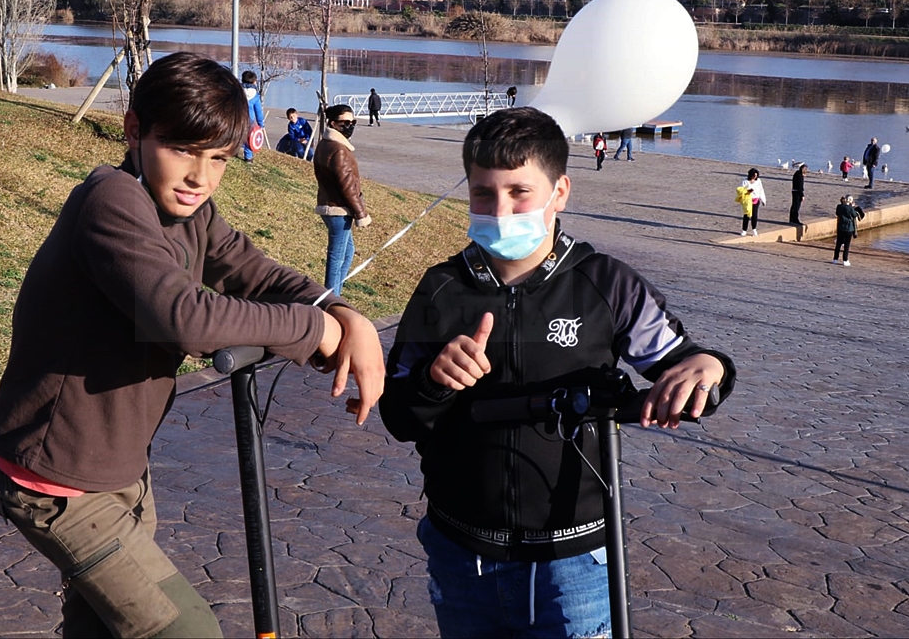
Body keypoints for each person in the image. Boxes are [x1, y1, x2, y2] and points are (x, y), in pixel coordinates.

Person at [0, 53, 385, 639]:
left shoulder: (193, 213)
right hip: (60, 480)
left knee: (97, 629)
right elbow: (183, 319)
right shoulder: (111, 200)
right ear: (134, 130)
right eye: (182, 150)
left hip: (121, 469)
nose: (200, 176)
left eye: (218, 159)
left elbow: (258, 272)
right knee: (185, 630)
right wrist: (315, 330)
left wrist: (345, 314)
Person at [379, 107, 735, 639]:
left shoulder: (606, 283)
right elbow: (398, 415)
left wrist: (710, 368)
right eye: (483, 193)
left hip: (577, 560)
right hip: (461, 552)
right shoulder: (441, 288)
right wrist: (434, 380)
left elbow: (688, 363)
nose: (499, 209)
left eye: (519, 192)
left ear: (560, 191)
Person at [314, 104, 371, 296]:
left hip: (329, 206)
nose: (350, 126)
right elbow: (348, 187)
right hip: (338, 210)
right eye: (345, 122)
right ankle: (331, 301)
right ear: (333, 123)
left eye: (353, 122)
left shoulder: (324, 144)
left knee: (347, 253)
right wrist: (361, 214)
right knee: (337, 257)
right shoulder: (339, 150)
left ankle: (336, 293)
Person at [833, 195, 865, 266]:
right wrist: (853, 207)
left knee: (838, 244)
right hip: (849, 228)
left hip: (840, 227)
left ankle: (835, 259)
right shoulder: (850, 208)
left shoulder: (839, 207)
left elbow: (837, 213)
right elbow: (854, 215)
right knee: (847, 245)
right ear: (850, 201)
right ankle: (845, 259)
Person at [241, 70, 265, 163]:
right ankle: (248, 157)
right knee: (249, 138)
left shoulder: (237, 92)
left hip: (237, 117)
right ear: (254, 82)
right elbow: (258, 112)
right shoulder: (255, 96)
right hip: (249, 120)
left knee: (236, 135)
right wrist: (261, 124)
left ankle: (232, 151)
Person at [739, 167, 767, 237]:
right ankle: (744, 230)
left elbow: (761, 190)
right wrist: (748, 191)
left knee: (754, 215)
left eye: (756, 176)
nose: (755, 177)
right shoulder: (745, 181)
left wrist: (763, 200)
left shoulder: (758, 181)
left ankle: (754, 229)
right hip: (748, 200)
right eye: (754, 176)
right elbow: (742, 191)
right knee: (747, 215)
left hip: (756, 200)